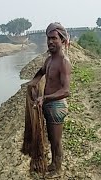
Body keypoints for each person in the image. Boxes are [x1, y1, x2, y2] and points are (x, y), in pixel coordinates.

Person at [28, 22, 72, 175]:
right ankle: (54, 164)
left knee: (56, 140)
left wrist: (45, 98)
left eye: (54, 38)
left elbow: (66, 91)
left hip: (56, 106)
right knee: (52, 139)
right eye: (48, 38)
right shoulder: (49, 60)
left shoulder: (63, 62)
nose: (51, 42)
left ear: (62, 40)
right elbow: (40, 73)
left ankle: (58, 168)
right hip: (47, 104)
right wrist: (33, 83)